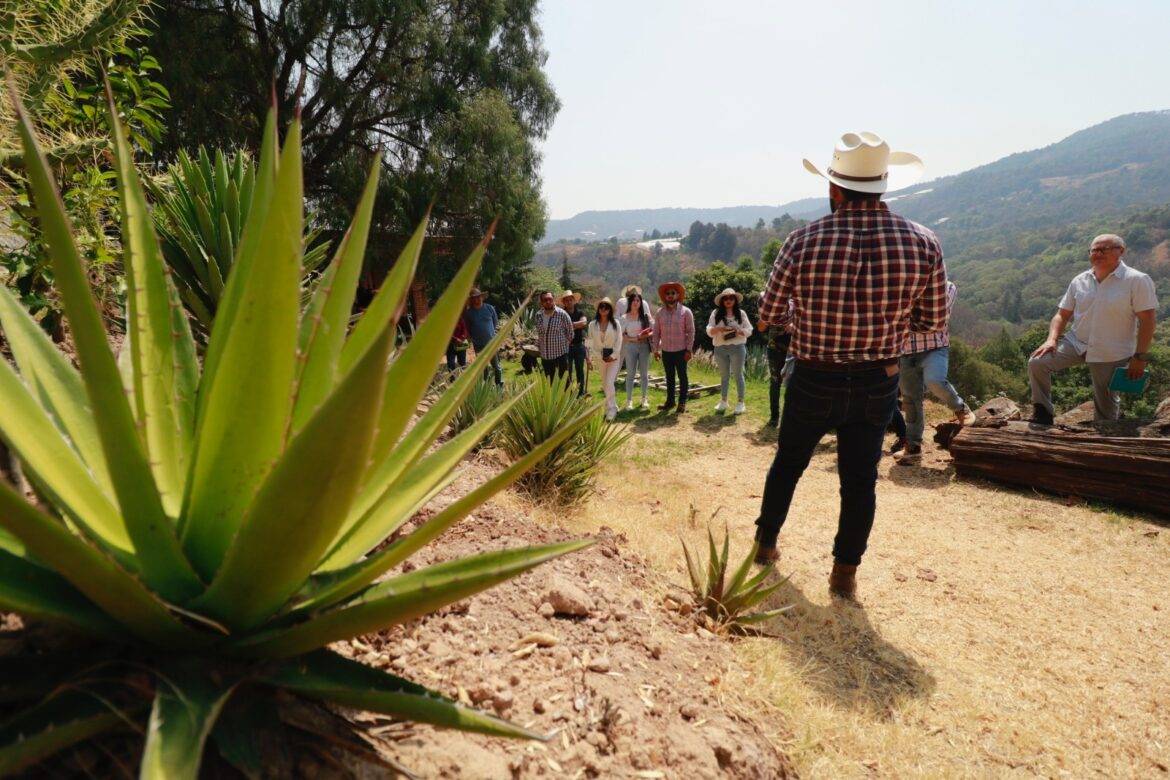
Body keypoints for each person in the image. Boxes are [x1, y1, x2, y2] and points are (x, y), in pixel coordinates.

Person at [754, 131, 947, 600]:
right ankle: (844, 574)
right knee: (859, 481)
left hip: (813, 375)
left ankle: (765, 546)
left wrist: (805, 322)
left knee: (788, 464)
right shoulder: (923, 242)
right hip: (877, 380)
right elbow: (932, 320)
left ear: (834, 190)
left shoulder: (801, 240)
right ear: (882, 186)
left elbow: (769, 317)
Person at [1027, 234, 1158, 424]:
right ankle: (1043, 412)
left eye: (1104, 249)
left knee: (1105, 413)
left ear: (1121, 251)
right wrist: (1052, 339)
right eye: (1094, 250)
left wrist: (1139, 358)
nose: (1098, 253)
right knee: (1037, 363)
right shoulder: (1080, 280)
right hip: (1077, 342)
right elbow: (1062, 314)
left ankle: (1103, 442)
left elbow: (1148, 321)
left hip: (1111, 350)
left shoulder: (1137, 280)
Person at [897, 280, 977, 463]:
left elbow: (929, 318)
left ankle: (960, 408)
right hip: (904, 350)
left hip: (934, 347)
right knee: (910, 399)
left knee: (935, 380)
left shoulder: (947, 287)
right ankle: (913, 446)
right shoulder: (901, 283)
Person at [706, 288, 752, 414]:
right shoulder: (716, 313)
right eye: (725, 298)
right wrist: (719, 330)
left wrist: (738, 331)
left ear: (735, 300)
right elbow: (709, 329)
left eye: (731, 298)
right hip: (720, 347)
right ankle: (724, 401)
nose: (728, 300)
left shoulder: (741, 313)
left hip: (737, 347)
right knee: (724, 376)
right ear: (722, 300)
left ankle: (740, 402)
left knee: (738, 375)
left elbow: (749, 330)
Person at [652, 282, 695, 413]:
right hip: (666, 351)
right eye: (668, 293)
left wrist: (689, 349)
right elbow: (656, 332)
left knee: (683, 377)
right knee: (669, 377)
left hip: (681, 351)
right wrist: (655, 350)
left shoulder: (685, 312)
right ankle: (670, 402)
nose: (670, 295)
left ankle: (682, 403)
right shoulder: (660, 313)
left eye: (673, 293)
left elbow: (691, 331)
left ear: (677, 295)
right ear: (665, 296)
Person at [758, 297, 795, 426]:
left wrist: (793, 324)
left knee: (793, 384)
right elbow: (761, 328)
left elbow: (805, 321)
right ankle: (774, 418)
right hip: (774, 349)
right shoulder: (767, 305)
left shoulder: (794, 304)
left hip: (793, 350)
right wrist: (766, 316)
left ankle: (790, 418)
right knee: (775, 382)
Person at [587, 297, 624, 420]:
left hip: (614, 359)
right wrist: (591, 357)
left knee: (609, 382)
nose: (604, 309)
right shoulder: (592, 325)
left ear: (610, 310)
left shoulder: (616, 324)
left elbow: (619, 342)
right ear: (598, 309)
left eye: (606, 307)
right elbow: (589, 342)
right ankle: (611, 405)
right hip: (599, 359)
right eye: (601, 306)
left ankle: (611, 409)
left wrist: (613, 356)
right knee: (605, 384)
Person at [620, 290, 654, 410]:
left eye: (638, 300)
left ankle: (644, 399)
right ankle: (629, 400)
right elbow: (622, 334)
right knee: (630, 374)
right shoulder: (624, 317)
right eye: (633, 300)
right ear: (630, 302)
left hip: (644, 346)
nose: (635, 302)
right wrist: (633, 339)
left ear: (641, 302)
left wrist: (643, 336)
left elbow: (652, 331)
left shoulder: (645, 316)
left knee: (644, 374)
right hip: (630, 347)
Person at [463, 287, 503, 387]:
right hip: (478, 345)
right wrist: (471, 339)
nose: (476, 300)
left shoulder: (489, 308)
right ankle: (486, 387)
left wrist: (490, 334)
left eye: (478, 297)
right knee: (483, 367)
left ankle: (499, 385)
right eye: (474, 298)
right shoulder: (469, 313)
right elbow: (468, 328)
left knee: (496, 366)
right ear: (471, 300)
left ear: (481, 297)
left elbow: (495, 323)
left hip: (491, 343)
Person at [536, 290, 574, 381]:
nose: (548, 302)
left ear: (554, 300)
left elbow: (570, 333)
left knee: (564, 384)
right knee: (550, 384)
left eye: (550, 299)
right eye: (545, 300)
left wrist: (563, 347)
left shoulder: (562, 314)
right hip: (545, 357)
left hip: (560, 356)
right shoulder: (538, 315)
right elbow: (540, 334)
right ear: (541, 302)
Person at [561, 290, 589, 397]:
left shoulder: (580, 312)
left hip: (579, 346)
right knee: (567, 372)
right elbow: (561, 327)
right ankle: (568, 394)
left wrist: (569, 325)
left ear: (574, 301)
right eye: (566, 300)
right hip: (565, 347)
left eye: (570, 300)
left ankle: (580, 393)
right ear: (564, 302)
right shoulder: (561, 314)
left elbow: (584, 322)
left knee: (580, 371)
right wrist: (577, 325)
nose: (569, 302)